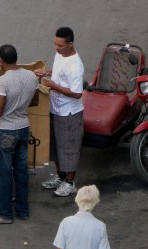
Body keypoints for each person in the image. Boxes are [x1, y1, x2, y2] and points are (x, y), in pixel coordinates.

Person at [0, 44, 39, 224]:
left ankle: (4, 214)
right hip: (23, 129)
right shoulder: (31, 76)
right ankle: (23, 211)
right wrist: (18, 105)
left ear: (0, 60)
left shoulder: (3, 81)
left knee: (4, 173)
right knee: (21, 171)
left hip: (6, 131)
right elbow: (35, 101)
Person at [35, 27, 85, 197]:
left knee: (68, 147)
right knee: (55, 146)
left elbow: (77, 93)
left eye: (60, 45)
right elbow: (58, 72)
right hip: (55, 109)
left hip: (69, 113)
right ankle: (61, 176)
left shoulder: (75, 66)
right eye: (55, 44)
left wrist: (53, 85)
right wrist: (47, 72)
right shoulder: (60, 55)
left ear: (70, 44)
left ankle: (70, 182)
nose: (56, 48)